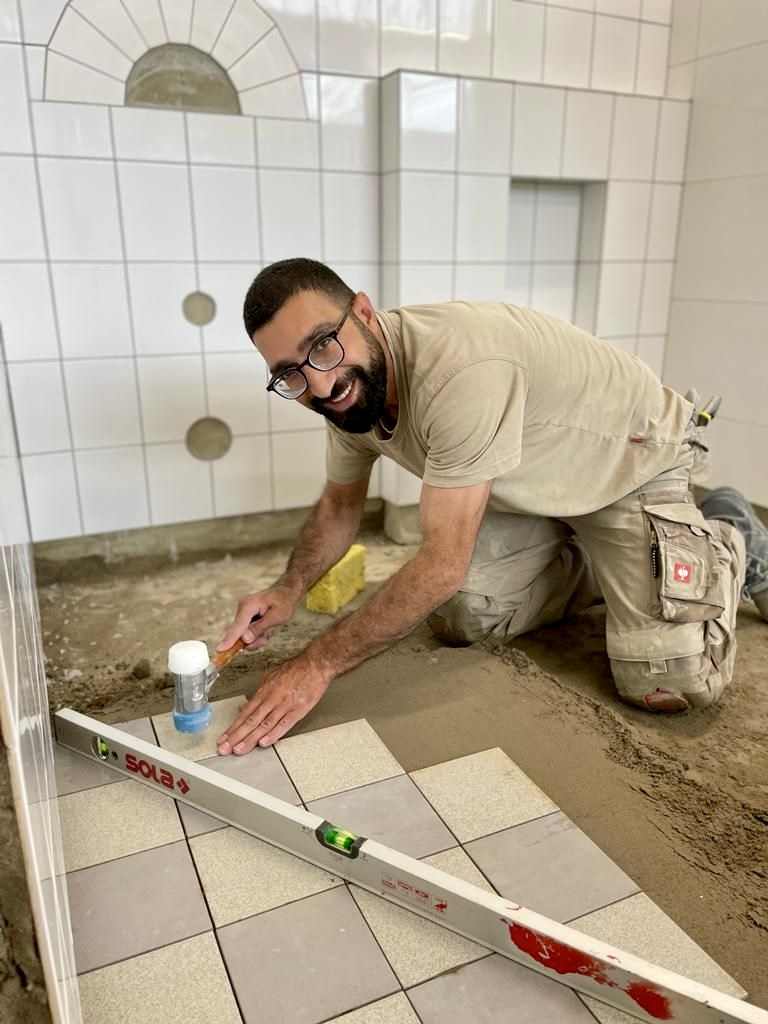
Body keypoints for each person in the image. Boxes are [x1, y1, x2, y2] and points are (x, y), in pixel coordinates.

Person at [215, 258, 768, 756]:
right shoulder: (350, 395)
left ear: (363, 312)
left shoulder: (457, 369)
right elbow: (339, 505)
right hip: (534, 485)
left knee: (671, 680)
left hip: (632, 463)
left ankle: (727, 528)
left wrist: (317, 664)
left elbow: (441, 564)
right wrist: (288, 589)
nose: (318, 380)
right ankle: (612, 564)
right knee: (465, 614)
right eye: (289, 372)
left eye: (321, 345)